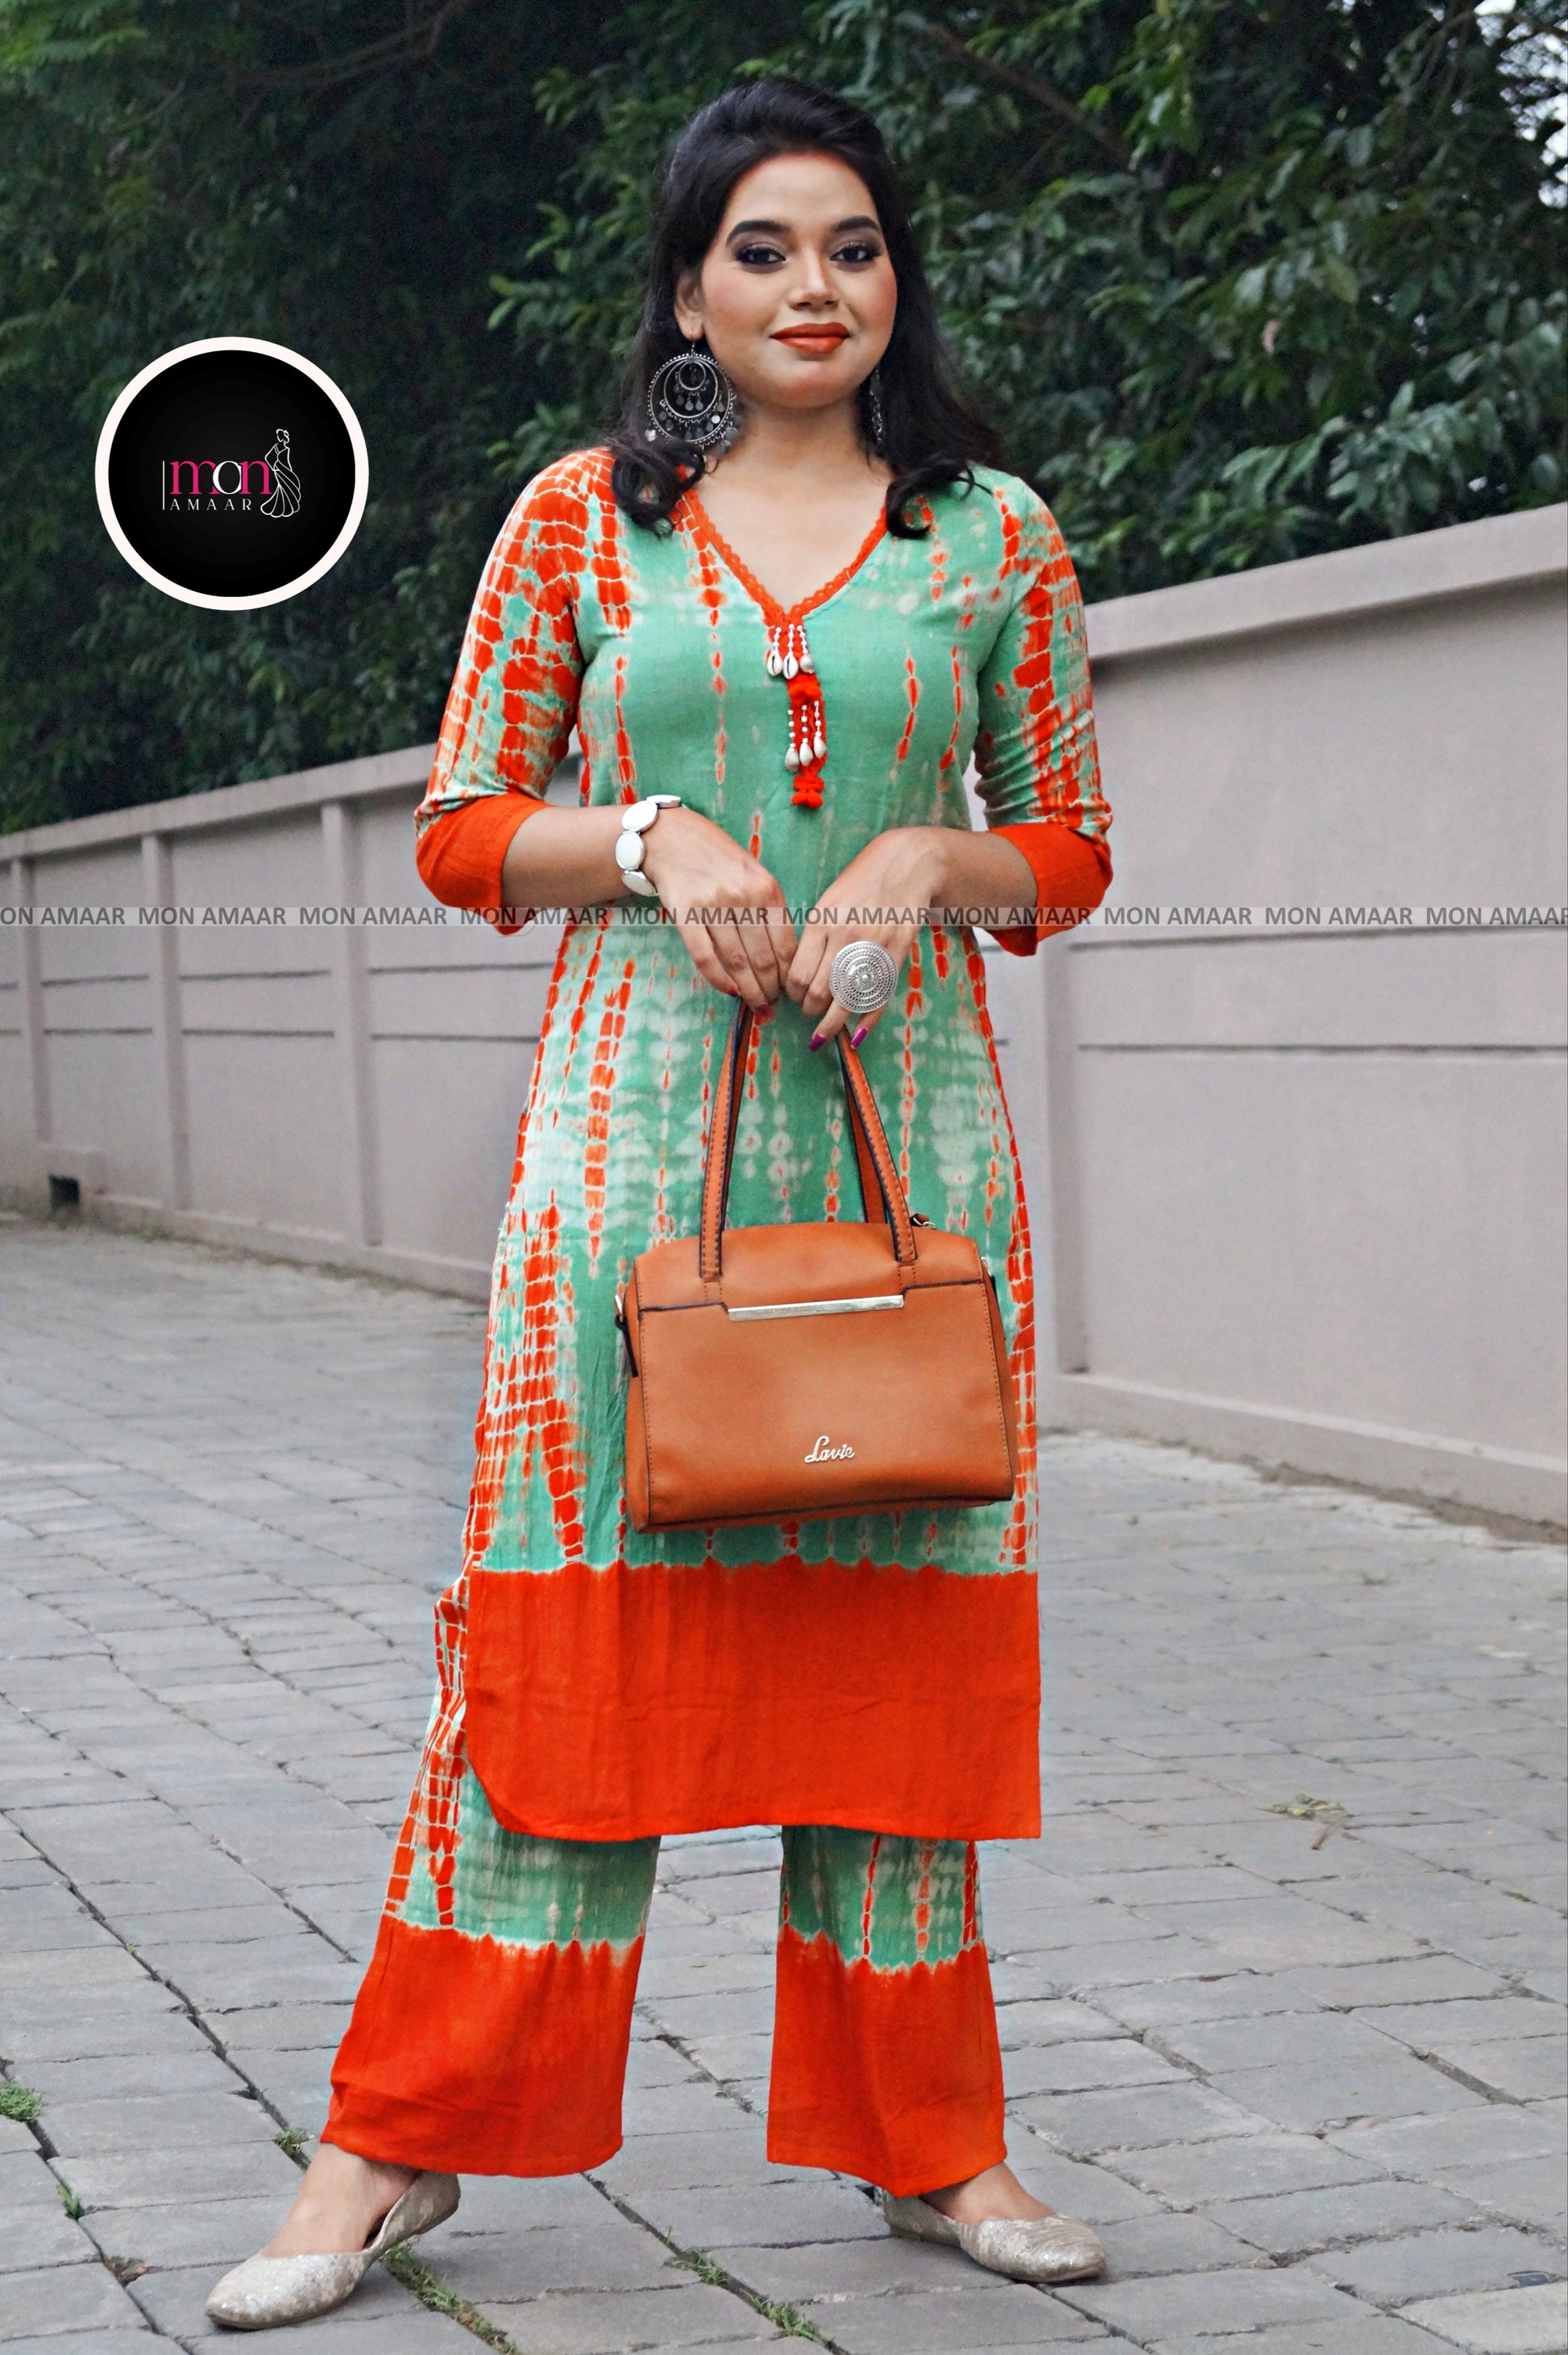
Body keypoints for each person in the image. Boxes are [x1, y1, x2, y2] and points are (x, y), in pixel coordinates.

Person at [206, 74, 1114, 2332]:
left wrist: (923, 857)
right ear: (688, 291)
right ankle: (393, 2145)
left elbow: (1066, 849)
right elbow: (460, 827)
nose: (815, 287)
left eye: (853, 247)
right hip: (625, 1168)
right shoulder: (578, 520)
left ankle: (932, 2136)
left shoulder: (987, 531)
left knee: (898, 1638)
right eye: (762, 250)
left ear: (896, 279)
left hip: (906, 1162)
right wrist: (648, 836)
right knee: (557, 1648)